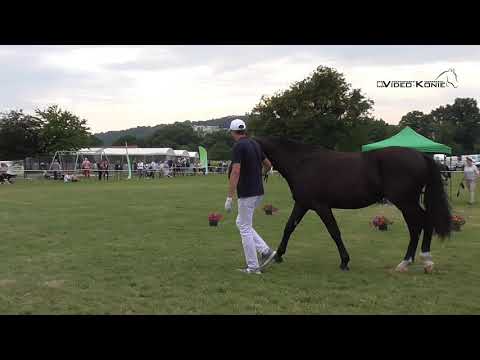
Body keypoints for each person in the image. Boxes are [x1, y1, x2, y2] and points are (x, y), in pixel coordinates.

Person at [224, 119, 276, 274]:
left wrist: (229, 197)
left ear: (232, 132)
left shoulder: (239, 146)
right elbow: (268, 164)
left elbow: (236, 171)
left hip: (247, 192)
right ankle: (266, 251)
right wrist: (261, 175)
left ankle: (253, 267)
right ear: (244, 130)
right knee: (242, 223)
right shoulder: (254, 144)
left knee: (244, 227)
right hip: (258, 191)